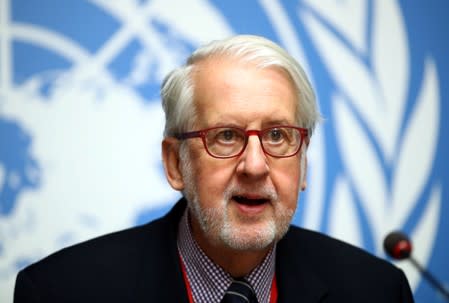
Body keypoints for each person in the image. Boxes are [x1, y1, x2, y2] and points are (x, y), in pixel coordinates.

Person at [14, 35, 414, 303]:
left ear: (303, 161)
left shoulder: (376, 291)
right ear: (175, 164)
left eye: (277, 136)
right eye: (226, 136)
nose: (255, 166)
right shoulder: (60, 292)